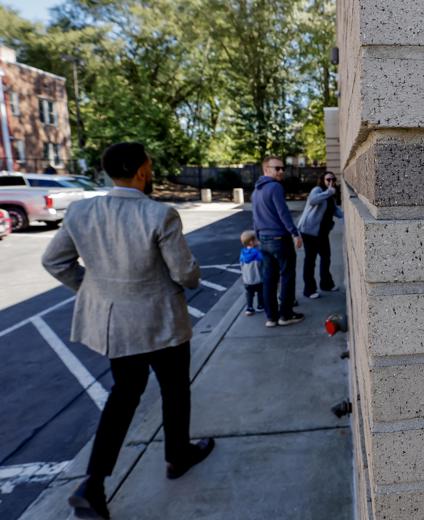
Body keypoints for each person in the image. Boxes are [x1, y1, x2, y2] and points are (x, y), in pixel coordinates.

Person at [41, 142, 215, 520]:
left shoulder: (82, 212)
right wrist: (191, 274)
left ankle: (93, 483)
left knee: (123, 397)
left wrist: (96, 290)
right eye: (149, 167)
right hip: (163, 324)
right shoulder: (160, 214)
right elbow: (185, 273)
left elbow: (54, 261)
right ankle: (177, 455)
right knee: (174, 390)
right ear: (141, 172)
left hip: (117, 327)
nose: (150, 173)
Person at [252, 156, 304, 327]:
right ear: (266, 169)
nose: (281, 171)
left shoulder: (256, 190)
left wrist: (258, 236)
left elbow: (255, 217)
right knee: (287, 276)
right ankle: (286, 315)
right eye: (277, 168)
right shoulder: (275, 187)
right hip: (279, 239)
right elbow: (283, 213)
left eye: (283, 168)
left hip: (264, 240)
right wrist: (295, 233)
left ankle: (271, 317)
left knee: (269, 279)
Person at [297, 171, 343, 298]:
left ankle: (326, 284)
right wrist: (328, 192)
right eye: (328, 179)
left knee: (326, 258)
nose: (331, 182)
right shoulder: (317, 190)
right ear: (322, 180)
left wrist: (346, 217)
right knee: (310, 260)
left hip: (322, 232)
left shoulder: (331, 195)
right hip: (309, 232)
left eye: (333, 179)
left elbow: (335, 210)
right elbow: (312, 200)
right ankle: (309, 290)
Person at [239, 229, 264, 316]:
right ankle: (260, 305)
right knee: (261, 292)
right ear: (251, 242)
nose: (258, 240)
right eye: (256, 239)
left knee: (249, 294)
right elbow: (262, 261)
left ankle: (249, 308)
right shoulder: (257, 253)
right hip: (258, 278)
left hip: (247, 280)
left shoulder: (242, 253)